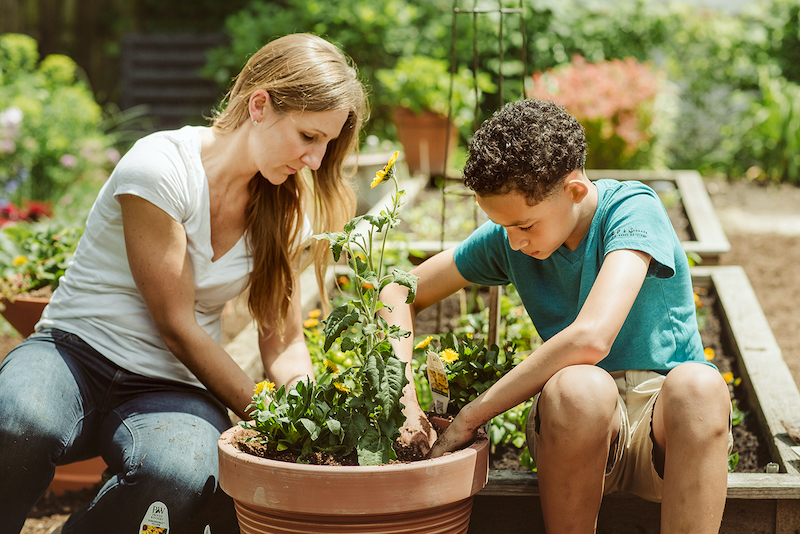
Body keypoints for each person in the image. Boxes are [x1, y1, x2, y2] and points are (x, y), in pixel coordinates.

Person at [0, 33, 367, 534]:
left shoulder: (286, 207)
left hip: (173, 388)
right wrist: (270, 417)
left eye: (328, 143)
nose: (317, 160)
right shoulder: (160, 167)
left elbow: (281, 339)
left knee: (178, 474)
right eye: (308, 136)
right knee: (18, 420)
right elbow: (176, 325)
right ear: (259, 105)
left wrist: (310, 417)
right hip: (74, 355)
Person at [382, 98, 733, 533]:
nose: (512, 244)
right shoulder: (513, 238)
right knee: (578, 386)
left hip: (668, 430)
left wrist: (470, 416)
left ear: (576, 192)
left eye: (525, 226)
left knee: (699, 385)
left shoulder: (632, 210)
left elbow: (591, 338)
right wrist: (404, 400)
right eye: (504, 227)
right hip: (576, 429)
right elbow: (397, 289)